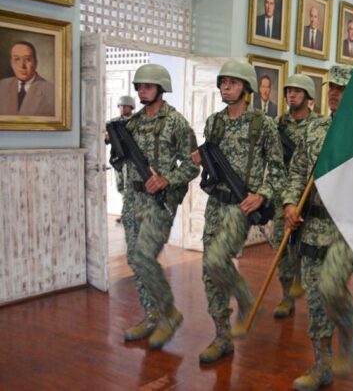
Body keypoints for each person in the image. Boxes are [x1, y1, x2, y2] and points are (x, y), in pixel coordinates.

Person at [188, 60, 285, 363]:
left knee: (217, 259)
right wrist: (201, 160)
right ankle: (222, 336)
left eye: (232, 82)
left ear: (246, 88)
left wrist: (262, 195)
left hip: (241, 206)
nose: (225, 87)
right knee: (209, 270)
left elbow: (280, 172)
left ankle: (244, 297)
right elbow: (213, 162)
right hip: (215, 203)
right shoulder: (214, 122)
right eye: (222, 82)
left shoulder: (262, 124)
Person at [283, 65, 353, 391]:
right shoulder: (313, 131)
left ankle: (348, 326)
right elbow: (298, 171)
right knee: (315, 299)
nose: (334, 94)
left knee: (330, 289)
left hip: (347, 228)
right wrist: (289, 202)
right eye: (332, 89)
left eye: (341, 89)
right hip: (313, 225)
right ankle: (321, 364)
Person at [118, 64, 199, 349]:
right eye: (139, 86)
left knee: (143, 256)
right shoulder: (133, 123)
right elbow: (122, 160)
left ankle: (169, 313)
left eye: (148, 86)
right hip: (133, 200)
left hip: (159, 203)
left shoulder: (176, 122)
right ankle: (151, 315)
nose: (142, 90)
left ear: (161, 89)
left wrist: (167, 180)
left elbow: (192, 164)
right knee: (134, 259)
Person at [272, 73, 322, 319]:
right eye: (289, 90)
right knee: (282, 248)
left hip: (312, 196)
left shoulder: (319, 125)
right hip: (284, 194)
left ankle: (313, 294)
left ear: (308, 96)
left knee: (309, 248)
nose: (292, 95)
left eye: (297, 91)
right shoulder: (277, 125)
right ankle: (286, 297)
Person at [0, 41, 55, 116]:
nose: (22, 66)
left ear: (35, 63)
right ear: (11, 63)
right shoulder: (2, 86)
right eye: (17, 59)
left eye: (27, 59)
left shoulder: (51, 91)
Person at [111, 95, 137, 198]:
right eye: (120, 106)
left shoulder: (137, 121)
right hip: (118, 157)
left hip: (131, 158)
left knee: (129, 185)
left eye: (125, 106)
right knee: (120, 185)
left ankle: (129, 205)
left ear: (131, 107)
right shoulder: (113, 122)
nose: (122, 108)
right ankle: (126, 201)